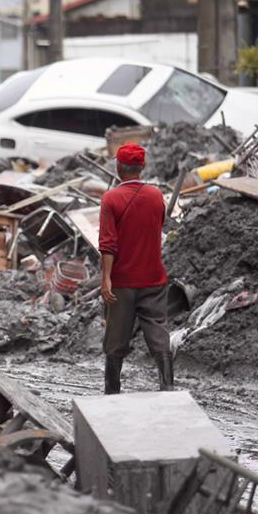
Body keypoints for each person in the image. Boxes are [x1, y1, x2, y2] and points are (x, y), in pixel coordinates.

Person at [98, 142, 172, 395]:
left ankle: (112, 391)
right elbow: (157, 228)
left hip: (123, 282)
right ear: (142, 167)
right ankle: (167, 384)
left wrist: (106, 278)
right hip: (154, 278)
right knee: (158, 331)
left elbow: (108, 244)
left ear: (119, 167)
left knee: (116, 339)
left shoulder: (111, 199)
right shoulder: (156, 196)